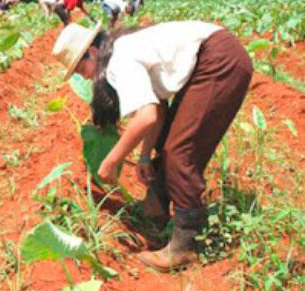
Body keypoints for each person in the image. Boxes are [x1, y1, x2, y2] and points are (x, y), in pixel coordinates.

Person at [52, 21, 252, 271]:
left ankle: (184, 246)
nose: (85, 77)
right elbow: (156, 107)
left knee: (180, 151)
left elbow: (146, 116)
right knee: (170, 142)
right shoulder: (121, 49)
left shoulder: (119, 61)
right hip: (213, 56)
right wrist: (145, 157)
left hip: (219, 60)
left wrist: (111, 161)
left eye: (82, 69)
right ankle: (157, 209)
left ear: (93, 53)